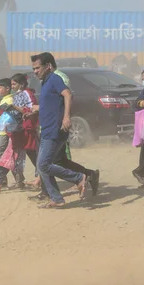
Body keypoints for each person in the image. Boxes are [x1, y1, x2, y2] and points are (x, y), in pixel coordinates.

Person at [25, 57, 101, 201]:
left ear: (48, 66)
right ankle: (57, 196)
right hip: (47, 127)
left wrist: (66, 117)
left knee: (44, 164)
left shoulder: (57, 78)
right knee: (57, 162)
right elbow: (52, 104)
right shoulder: (46, 82)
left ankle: (79, 178)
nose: (35, 72)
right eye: (33, 69)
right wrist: (36, 111)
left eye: (37, 68)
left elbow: (67, 95)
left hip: (55, 129)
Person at [0, 74, 36, 193]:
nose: (12, 87)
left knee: (9, 158)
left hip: (22, 131)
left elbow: (26, 111)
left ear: (21, 84)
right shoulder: (20, 95)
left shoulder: (24, 95)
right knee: (23, 157)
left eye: (14, 84)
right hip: (19, 131)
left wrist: (11, 108)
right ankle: (31, 180)